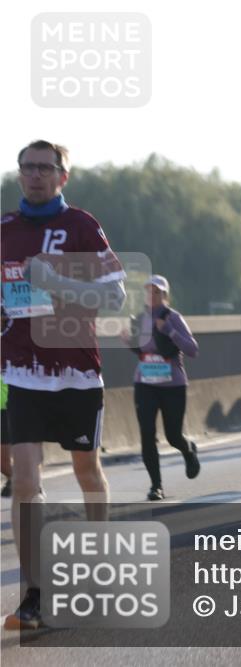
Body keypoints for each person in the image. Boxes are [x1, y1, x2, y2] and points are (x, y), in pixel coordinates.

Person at [2, 140, 127, 629]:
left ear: (62, 176)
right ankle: (32, 593)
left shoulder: (80, 225)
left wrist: (60, 286)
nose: (34, 175)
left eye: (44, 167)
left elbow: (116, 294)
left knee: (87, 474)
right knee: (26, 483)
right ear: (19, 175)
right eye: (26, 167)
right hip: (21, 371)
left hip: (75, 371)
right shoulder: (5, 231)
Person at [121, 275, 201, 500]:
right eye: (148, 291)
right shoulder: (139, 319)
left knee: (173, 435)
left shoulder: (173, 318)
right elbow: (141, 350)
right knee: (147, 434)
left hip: (172, 383)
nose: (152, 295)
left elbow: (193, 349)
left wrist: (169, 331)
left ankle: (187, 449)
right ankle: (156, 486)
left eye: (157, 292)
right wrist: (128, 341)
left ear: (165, 295)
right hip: (145, 383)